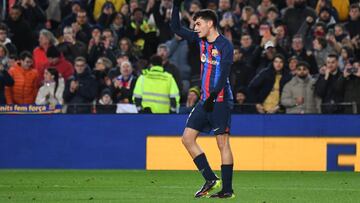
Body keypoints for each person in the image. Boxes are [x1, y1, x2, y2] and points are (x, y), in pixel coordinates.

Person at [171, 0, 235, 198]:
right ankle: (210, 178)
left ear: (210, 24)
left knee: (222, 144)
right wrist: (176, 6)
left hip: (221, 100)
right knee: (187, 139)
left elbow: (224, 75)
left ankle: (227, 190)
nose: (195, 28)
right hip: (205, 99)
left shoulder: (225, 45)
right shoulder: (200, 40)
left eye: (198, 24)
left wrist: (213, 96)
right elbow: (176, 28)